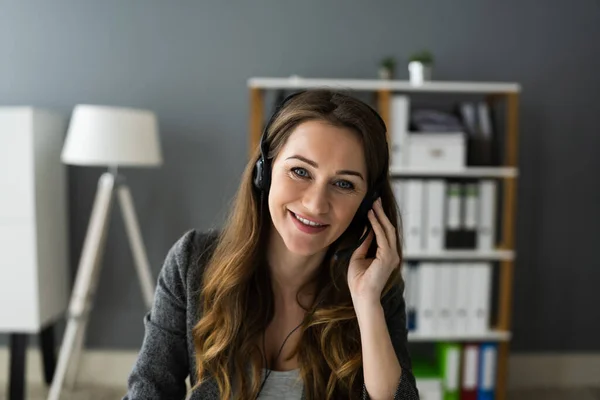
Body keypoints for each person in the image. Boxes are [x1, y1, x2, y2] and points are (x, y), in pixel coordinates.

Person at [123, 89, 419, 399]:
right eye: (300, 171)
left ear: (367, 203)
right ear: (265, 172)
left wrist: (367, 302)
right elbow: (149, 391)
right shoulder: (193, 261)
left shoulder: (375, 286)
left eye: (344, 184)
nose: (316, 205)